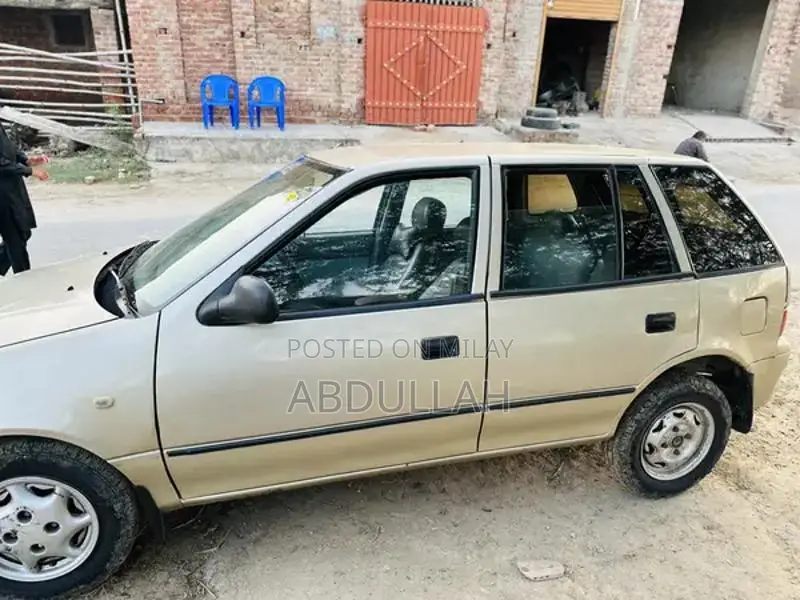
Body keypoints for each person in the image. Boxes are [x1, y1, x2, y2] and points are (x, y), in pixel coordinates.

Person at [0, 119, 48, 276]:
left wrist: (26, 159)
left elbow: (6, 149)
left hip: (12, 187)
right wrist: (29, 171)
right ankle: (24, 279)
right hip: (2, 193)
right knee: (15, 238)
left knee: (23, 233)